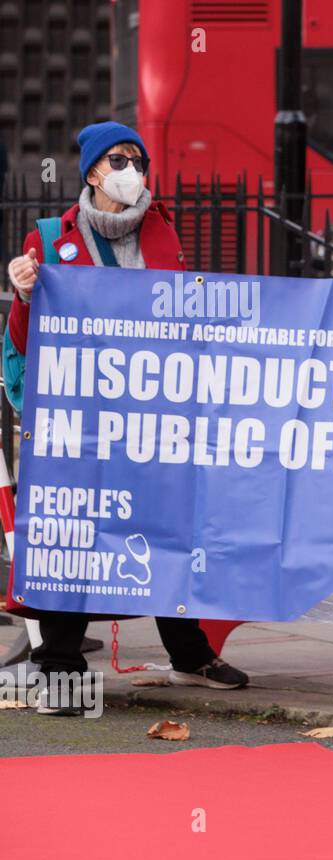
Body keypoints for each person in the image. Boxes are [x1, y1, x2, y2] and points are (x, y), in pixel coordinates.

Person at [4, 121, 249, 713]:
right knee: (75, 533)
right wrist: (23, 295)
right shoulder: (50, 238)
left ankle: (189, 653)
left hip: (153, 416)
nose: (132, 169)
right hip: (80, 424)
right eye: (119, 159)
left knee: (166, 528)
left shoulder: (163, 232)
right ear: (92, 171)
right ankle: (60, 670)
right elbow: (24, 340)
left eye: (138, 159)